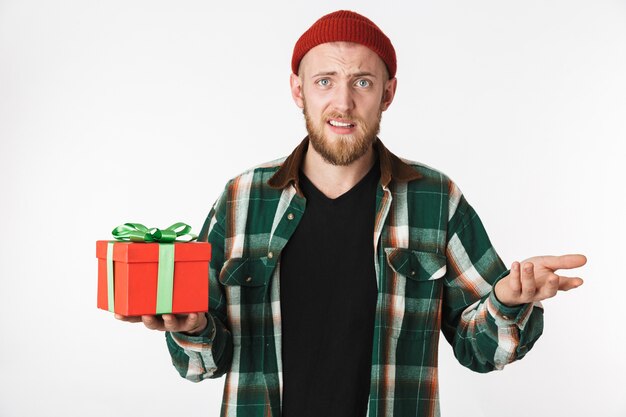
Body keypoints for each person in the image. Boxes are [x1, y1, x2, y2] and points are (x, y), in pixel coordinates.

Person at [116, 10, 586, 417]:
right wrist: (192, 328)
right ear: (298, 91)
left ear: (388, 93)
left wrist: (508, 300)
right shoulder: (241, 199)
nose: (343, 103)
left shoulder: (436, 199)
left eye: (362, 82)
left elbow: (481, 351)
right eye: (325, 81)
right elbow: (204, 363)